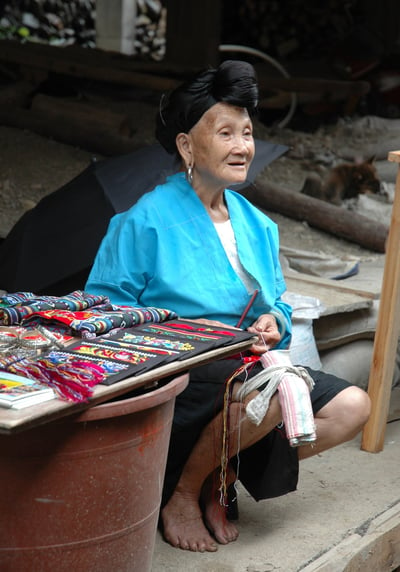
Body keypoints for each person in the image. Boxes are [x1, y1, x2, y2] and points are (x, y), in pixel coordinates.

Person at [85, 60, 371, 553]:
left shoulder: (257, 223)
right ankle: (180, 496)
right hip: (182, 371)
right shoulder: (144, 221)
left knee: (353, 406)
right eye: (225, 133)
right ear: (186, 145)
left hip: (248, 363)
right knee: (271, 389)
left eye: (247, 133)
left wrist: (272, 320)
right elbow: (105, 310)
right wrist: (180, 335)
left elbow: (279, 301)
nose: (242, 147)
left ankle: (214, 477)